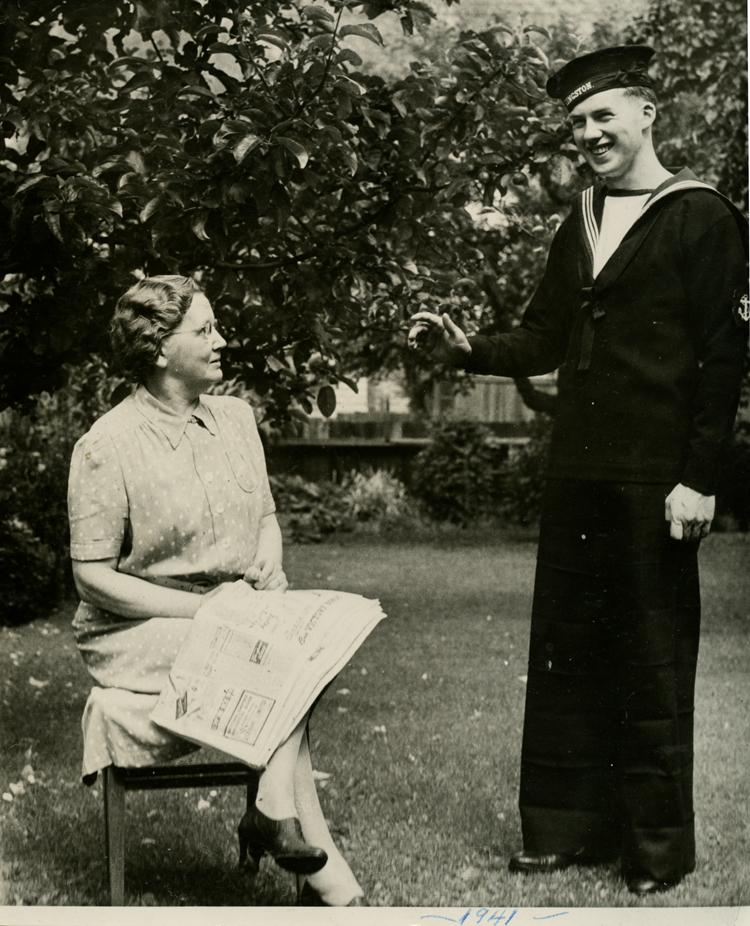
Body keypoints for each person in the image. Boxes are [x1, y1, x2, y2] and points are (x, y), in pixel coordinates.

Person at [408, 45, 748, 895]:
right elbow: (542, 337)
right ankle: (562, 829)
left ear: (647, 114)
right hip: (577, 475)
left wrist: (700, 478)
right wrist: (465, 349)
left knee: (651, 657)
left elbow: (722, 361)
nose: (589, 134)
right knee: (566, 651)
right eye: (577, 124)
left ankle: (655, 850)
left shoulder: (703, 216)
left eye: (603, 117)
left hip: (656, 478)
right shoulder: (580, 222)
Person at [67, 274, 365, 907]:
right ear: (156, 350)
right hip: (136, 629)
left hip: (235, 612)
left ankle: (284, 827)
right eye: (204, 331)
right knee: (274, 652)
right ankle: (317, 866)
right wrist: (205, 609)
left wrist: (267, 566)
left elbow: (264, 520)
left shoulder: (235, 419)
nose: (221, 341)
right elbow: (92, 577)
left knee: (326, 628)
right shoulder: (106, 445)